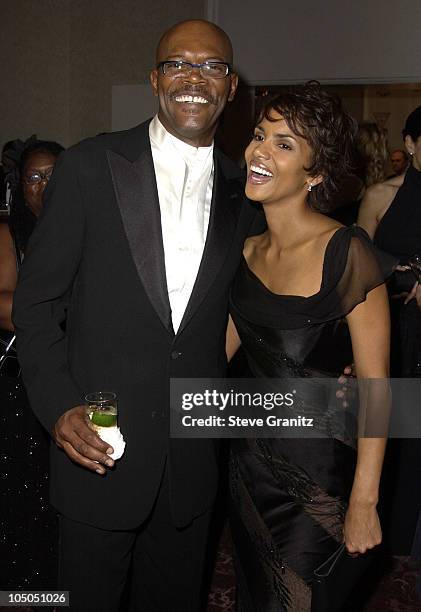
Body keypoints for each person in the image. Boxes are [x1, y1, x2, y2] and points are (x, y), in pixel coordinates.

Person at [12, 19, 261, 612]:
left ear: (231, 87)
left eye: (212, 66)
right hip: (97, 449)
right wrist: (58, 406)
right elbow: (36, 303)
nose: (194, 77)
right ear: (155, 80)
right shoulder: (89, 165)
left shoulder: (245, 190)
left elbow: (256, 305)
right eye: (178, 64)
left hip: (190, 464)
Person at [225, 82, 392, 611]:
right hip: (247, 469)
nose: (259, 151)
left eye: (284, 144)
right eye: (259, 135)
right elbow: (209, 355)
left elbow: (377, 388)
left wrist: (365, 500)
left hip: (317, 480)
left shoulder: (347, 251)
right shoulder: (245, 250)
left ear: (315, 173)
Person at [0, 140, 64, 591]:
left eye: (52, 175)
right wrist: (64, 310)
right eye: (33, 178)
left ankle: (61, 583)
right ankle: (25, 589)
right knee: (23, 491)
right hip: (18, 379)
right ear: (21, 188)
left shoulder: (85, 229)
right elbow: (2, 304)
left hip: (71, 376)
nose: (43, 186)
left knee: (65, 487)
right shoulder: (9, 233)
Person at [358, 107, 421, 556]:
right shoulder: (380, 195)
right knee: (393, 432)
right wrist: (401, 276)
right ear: (412, 143)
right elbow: (354, 271)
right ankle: (388, 535)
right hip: (392, 331)